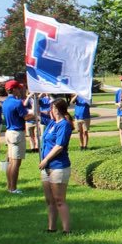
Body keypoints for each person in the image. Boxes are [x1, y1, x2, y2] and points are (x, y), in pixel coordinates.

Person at [39, 98, 73, 234]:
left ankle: (66, 229)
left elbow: (59, 146)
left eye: (51, 108)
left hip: (59, 166)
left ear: (56, 109)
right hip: (46, 167)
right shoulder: (51, 123)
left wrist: (46, 159)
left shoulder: (64, 125)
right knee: (50, 200)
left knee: (59, 200)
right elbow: (36, 115)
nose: (49, 111)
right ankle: (51, 227)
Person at [2, 81, 34, 194]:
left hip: (9, 132)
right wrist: (35, 113)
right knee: (16, 163)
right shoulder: (17, 103)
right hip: (17, 133)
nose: (20, 90)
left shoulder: (5, 102)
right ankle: (13, 188)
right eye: (19, 88)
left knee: (11, 162)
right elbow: (25, 116)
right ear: (14, 89)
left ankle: (9, 185)